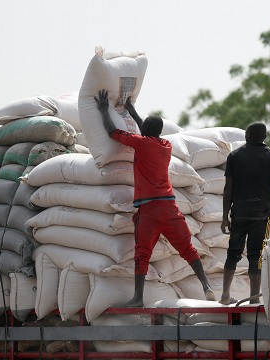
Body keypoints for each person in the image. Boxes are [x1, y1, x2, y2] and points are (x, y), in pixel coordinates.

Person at [94, 89, 216, 307]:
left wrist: (104, 110)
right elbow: (147, 130)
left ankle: (138, 298)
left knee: (142, 253)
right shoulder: (165, 146)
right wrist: (131, 110)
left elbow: (113, 132)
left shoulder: (141, 143)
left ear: (146, 131)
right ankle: (206, 285)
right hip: (170, 207)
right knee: (187, 248)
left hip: (149, 210)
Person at [219, 122, 270, 305]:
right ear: (264, 137)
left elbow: (228, 189)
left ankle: (224, 295)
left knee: (233, 254)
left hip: (239, 214)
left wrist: (225, 217)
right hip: (262, 216)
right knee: (256, 256)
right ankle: (254, 299)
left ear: (248, 135)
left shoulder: (235, 156)